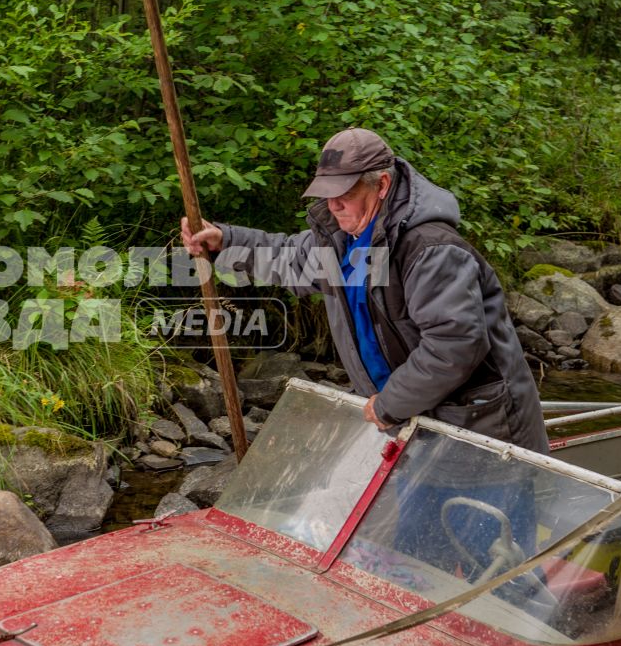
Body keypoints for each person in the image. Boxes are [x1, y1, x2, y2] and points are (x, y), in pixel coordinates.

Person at [181, 127, 548, 455]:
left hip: (479, 424)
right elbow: (288, 258)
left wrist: (390, 403)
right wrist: (225, 242)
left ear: (382, 185)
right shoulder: (344, 239)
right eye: (327, 194)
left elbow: (454, 344)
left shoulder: (430, 248)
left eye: (345, 193)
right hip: (414, 418)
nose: (333, 205)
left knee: (485, 528)